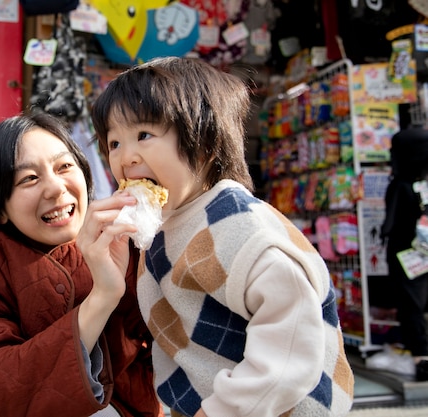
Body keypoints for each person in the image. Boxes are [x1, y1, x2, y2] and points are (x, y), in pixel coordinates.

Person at [89, 57, 355, 417]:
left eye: (144, 135)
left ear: (205, 142)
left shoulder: (235, 221)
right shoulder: (162, 225)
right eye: (114, 142)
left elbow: (292, 337)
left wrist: (223, 410)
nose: (125, 157)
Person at [0, 112, 163, 417]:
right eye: (29, 178)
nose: (56, 189)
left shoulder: (125, 232)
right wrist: (102, 298)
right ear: (0, 209)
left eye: (64, 166)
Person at [380, 126, 428, 381]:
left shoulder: (401, 184)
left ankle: (421, 358)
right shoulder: (424, 181)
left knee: (411, 305)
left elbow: (391, 223)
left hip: (406, 255)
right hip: (424, 253)